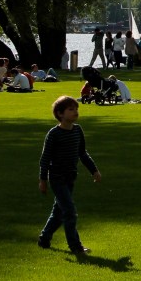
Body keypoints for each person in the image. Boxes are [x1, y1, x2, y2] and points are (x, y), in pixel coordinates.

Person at [38, 95, 101, 255]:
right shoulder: (54, 134)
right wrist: (43, 180)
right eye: (71, 109)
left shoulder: (78, 130)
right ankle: (76, 247)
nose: (75, 112)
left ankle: (44, 239)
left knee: (59, 213)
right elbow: (45, 159)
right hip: (57, 177)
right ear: (60, 114)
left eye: (76, 109)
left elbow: (82, 153)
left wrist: (94, 170)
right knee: (70, 212)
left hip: (70, 176)